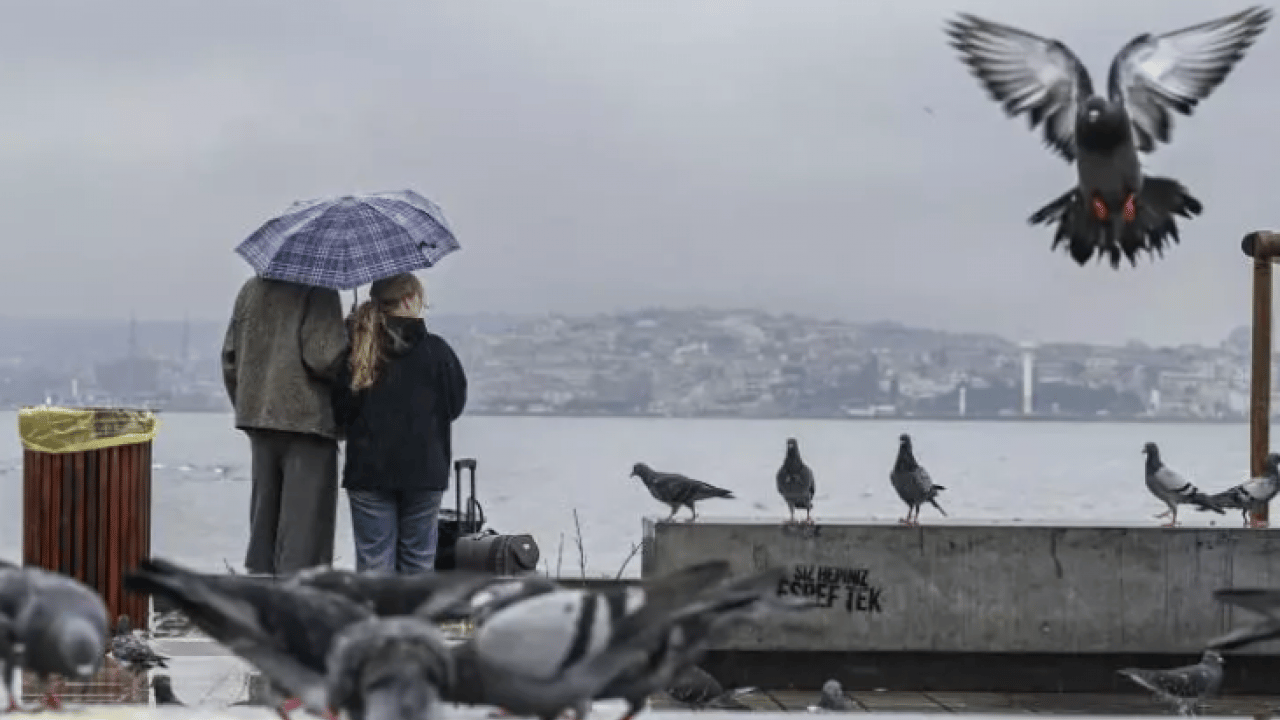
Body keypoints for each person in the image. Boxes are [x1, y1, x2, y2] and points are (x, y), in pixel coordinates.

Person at [332, 272, 468, 574]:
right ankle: (412, 621)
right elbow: (455, 406)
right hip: (425, 471)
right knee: (419, 562)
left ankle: (377, 620)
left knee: (373, 564)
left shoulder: (359, 352)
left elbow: (340, 412)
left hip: (368, 472)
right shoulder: (438, 352)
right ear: (409, 300)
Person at [221, 276, 348, 576]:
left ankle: (261, 594)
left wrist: (249, 403)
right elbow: (322, 357)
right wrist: (347, 337)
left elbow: (229, 358)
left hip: (259, 418)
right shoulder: (319, 288)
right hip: (306, 422)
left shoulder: (249, 290)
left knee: (263, 524)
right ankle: (297, 603)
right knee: (304, 529)